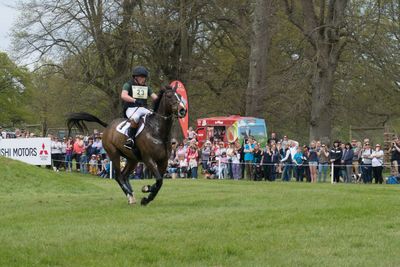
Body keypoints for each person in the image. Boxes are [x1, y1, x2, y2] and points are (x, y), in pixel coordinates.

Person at [121, 66, 158, 150]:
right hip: (131, 108)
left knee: (154, 116)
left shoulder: (147, 87)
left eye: (144, 77)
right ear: (135, 77)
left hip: (143, 108)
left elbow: (155, 98)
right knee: (136, 118)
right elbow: (123, 95)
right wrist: (134, 100)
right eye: (141, 77)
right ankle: (130, 139)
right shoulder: (128, 84)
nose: (143, 79)